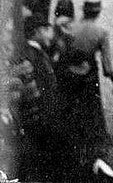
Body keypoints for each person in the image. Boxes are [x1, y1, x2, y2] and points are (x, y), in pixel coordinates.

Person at [59, 0, 113, 162]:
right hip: (89, 73)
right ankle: (96, 142)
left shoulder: (69, 28)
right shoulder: (101, 32)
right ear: (97, 13)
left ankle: (76, 142)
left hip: (69, 72)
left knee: (74, 105)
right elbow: (107, 66)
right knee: (92, 107)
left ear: (83, 10)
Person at [13, 15, 63, 182]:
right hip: (42, 120)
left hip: (44, 118)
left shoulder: (35, 52)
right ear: (37, 32)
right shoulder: (32, 55)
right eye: (47, 30)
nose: (50, 34)